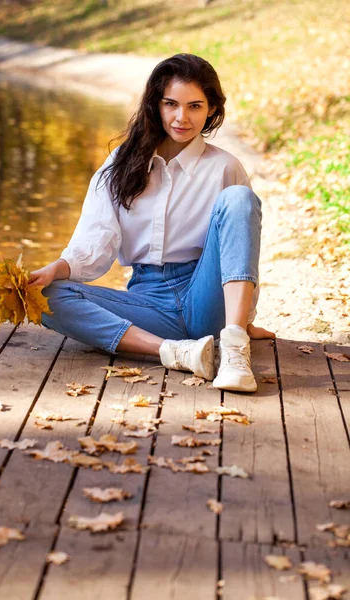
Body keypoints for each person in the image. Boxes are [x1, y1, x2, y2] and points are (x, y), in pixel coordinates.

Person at [29, 53, 275, 393]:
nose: (181, 117)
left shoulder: (224, 167)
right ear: (155, 105)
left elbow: (239, 248)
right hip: (148, 305)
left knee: (240, 199)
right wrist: (55, 269)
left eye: (195, 106)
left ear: (211, 110)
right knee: (43, 296)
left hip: (205, 296)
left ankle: (234, 350)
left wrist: (243, 321)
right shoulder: (122, 162)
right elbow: (96, 240)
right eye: (171, 103)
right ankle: (174, 352)